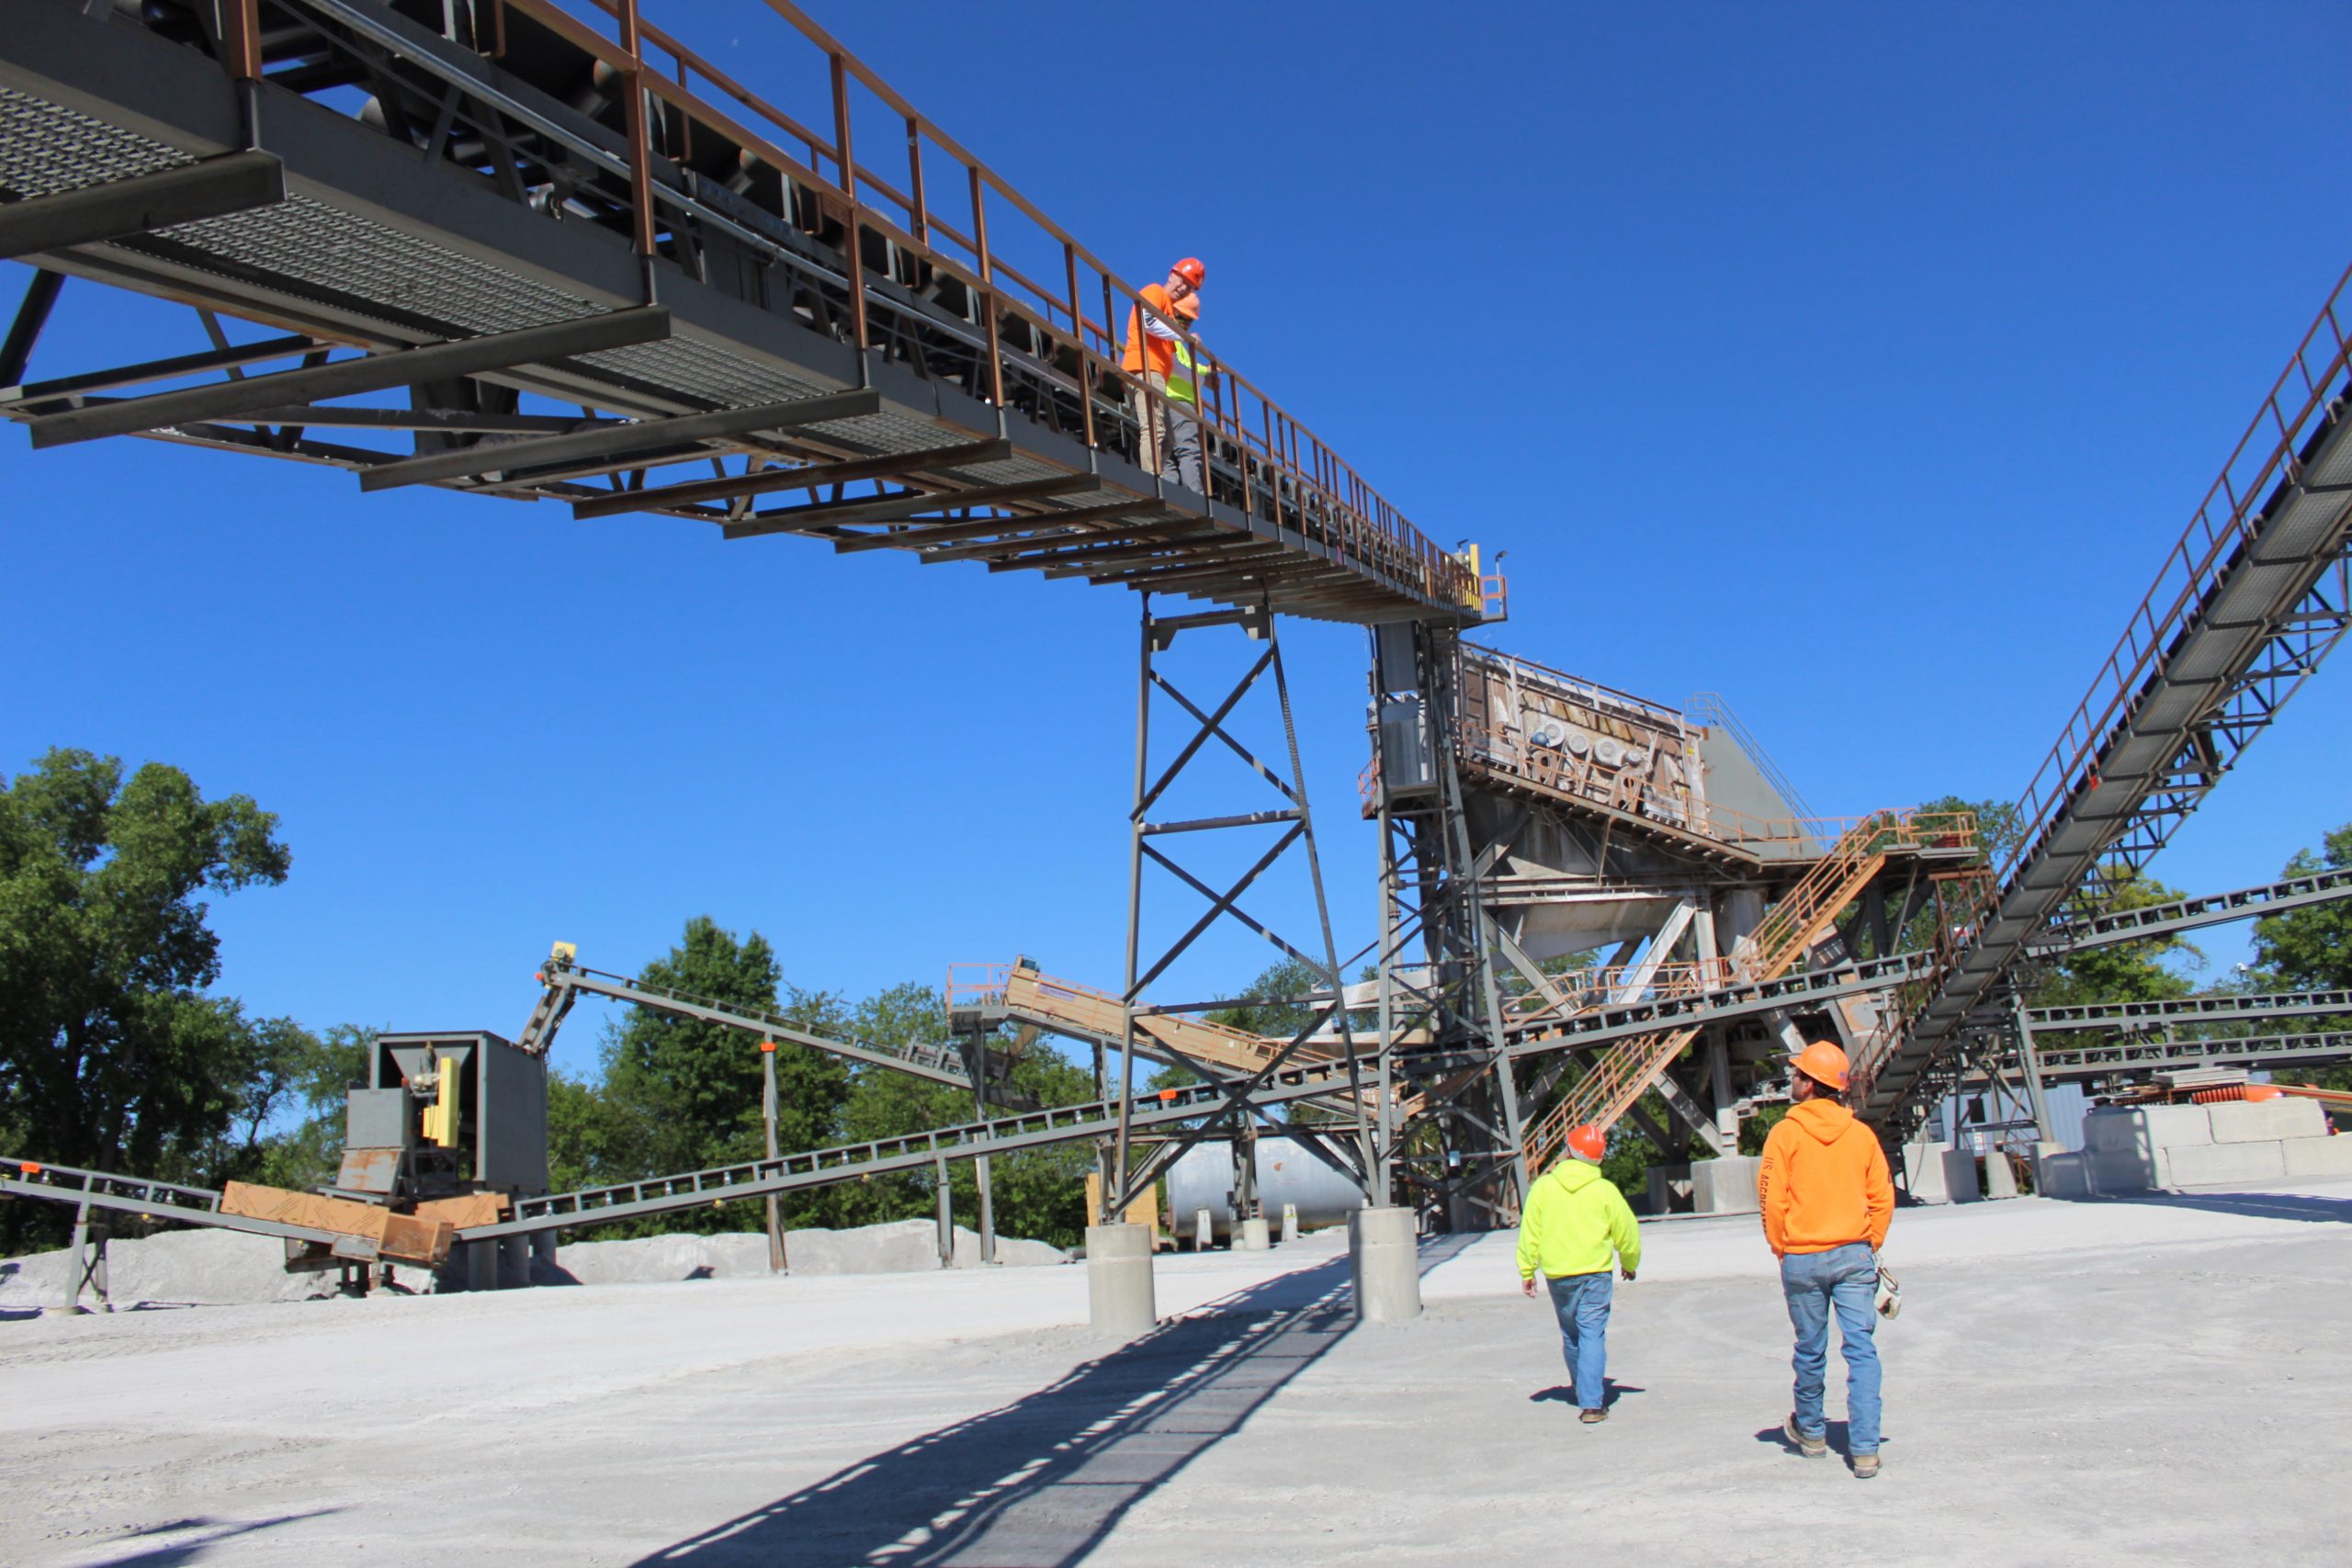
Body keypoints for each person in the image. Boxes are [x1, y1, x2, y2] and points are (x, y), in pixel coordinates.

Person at [1758, 1040, 1894, 1479]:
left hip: (1801, 1256)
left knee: (1810, 1349)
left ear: (1810, 1085)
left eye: (1797, 1074)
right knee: (1862, 1351)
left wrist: (1781, 1246)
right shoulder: (1861, 1134)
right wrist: (1868, 1242)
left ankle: (1813, 1433)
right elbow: (1882, 1197)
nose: (1791, 1080)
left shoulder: (1785, 1133)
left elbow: (1770, 1198)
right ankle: (1866, 1449)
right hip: (1854, 1253)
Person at [1516, 1122, 1641, 1424]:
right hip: (1596, 1272)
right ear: (1599, 1159)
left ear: (1568, 1151)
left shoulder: (1543, 1188)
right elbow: (1627, 1231)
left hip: (1558, 1274)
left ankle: (1582, 1388)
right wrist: (1630, 1262)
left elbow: (1530, 1231)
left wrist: (1527, 1269)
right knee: (1592, 1333)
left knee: (1571, 1335)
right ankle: (1592, 1404)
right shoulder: (1605, 1190)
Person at [1120, 257, 1204, 491]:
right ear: (1172, 274)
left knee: (1167, 438)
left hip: (1155, 373)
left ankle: (1160, 479)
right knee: (1155, 429)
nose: (1183, 287)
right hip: (1145, 369)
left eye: (1189, 286)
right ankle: (1152, 483)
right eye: (1183, 281)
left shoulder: (1167, 308)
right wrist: (1183, 336)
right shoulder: (1155, 292)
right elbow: (1147, 322)